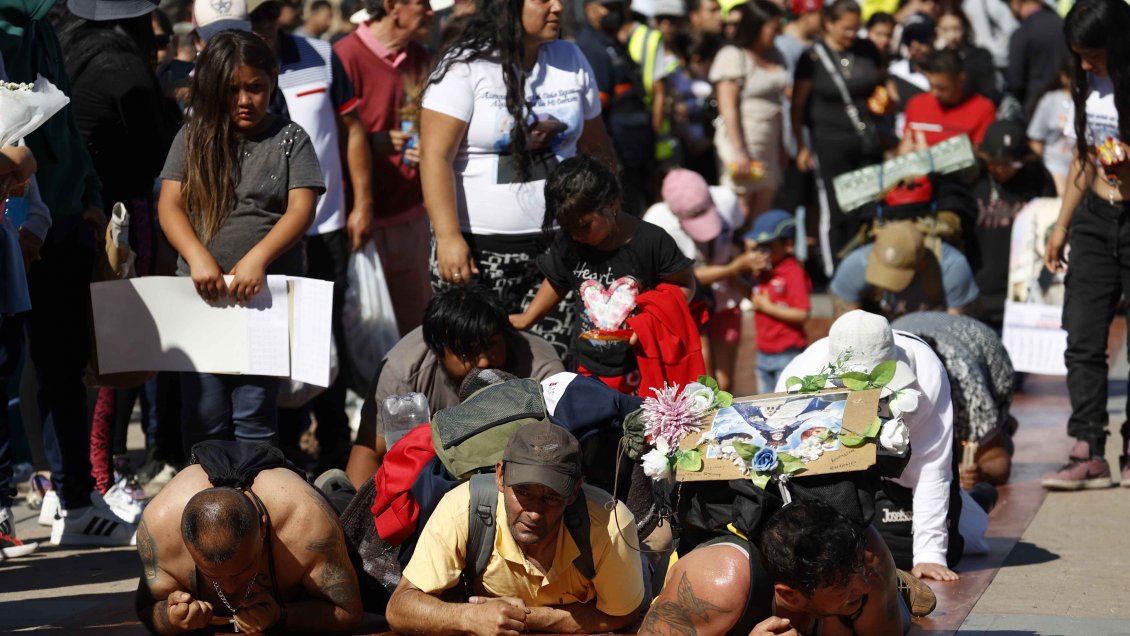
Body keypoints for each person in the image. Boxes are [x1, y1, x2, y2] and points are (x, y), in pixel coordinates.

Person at [157, 30, 324, 449]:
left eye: (256, 88)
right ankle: (206, 509)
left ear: (272, 81)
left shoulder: (290, 140)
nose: (245, 100)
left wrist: (258, 259)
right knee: (203, 418)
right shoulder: (192, 137)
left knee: (255, 418)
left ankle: (252, 508)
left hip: (264, 300)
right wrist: (197, 257)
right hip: (201, 300)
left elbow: (300, 209)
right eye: (232, 90)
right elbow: (170, 205)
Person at [421, 0, 615, 358]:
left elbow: (597, 149)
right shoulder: (465, 65)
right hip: (476, 253)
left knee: (552, 369)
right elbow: (435, 156)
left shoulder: (571, 59)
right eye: (543, 0)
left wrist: (611, 217)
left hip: (558, 251)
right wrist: (448, 236)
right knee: (476, 367)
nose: (558, 7)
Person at [385, 422, 645, 635]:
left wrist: (525, 619)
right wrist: (468, 617)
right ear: (500, 476)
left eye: (551, 498)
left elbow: (622, 612)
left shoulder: (610, 524)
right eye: (523, 493)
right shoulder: (463, 508)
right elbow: (399, 607)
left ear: (575, 491)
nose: (533, 512)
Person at [778, 310, 963, 581]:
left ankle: (972, 501)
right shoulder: (799, 375)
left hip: (905, 469)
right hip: (840, 476)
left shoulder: (928, 372)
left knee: (912, 555)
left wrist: (929, 554)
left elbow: (932, 465)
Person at [509, 156, 695, 395]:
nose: (576, 236)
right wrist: (528, 318)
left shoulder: (651, 241)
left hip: (641, 365)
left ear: (612, 205)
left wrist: (652, 322)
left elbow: (685, 285)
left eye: (584, 226)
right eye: (568, 229)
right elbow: (557, 281)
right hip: (588, 366)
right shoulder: (569, 243)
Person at [345, 285, 565, 486]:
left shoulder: (541, 369)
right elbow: (369, 452)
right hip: (432, 482)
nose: (484, 361)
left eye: (491, 345)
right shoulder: (404, 372)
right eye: (467, 352)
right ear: (439, 354)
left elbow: (559, 453)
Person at [134, 443, 363, 634]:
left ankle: (336, 489)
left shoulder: (306, 522)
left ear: (263, 530)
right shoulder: (160, 525)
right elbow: (146, 608)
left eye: (241, 571)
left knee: (360, 551)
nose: (230, 587)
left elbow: (349, 613)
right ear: (184, 541)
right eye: (212, 575)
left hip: (295, 491)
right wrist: (171, 618)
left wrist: (282, 616)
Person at [1042, 0, 1130, 491]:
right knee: (1082, 337)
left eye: (1093, 54)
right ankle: (1088, 449)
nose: (1084, 64)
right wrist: (1061, 225)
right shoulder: (1085, 84)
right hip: (1096, 218)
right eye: (1077, 55)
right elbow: (1083, 154)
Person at [638, 499, 918, 636]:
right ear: (790, 595)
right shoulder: (717, 586)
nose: (862, 585)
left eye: (856, 571)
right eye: (841, 584)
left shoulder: (869, 562)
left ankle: (900, 586)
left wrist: (858, 579)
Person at [333, 0, 435, 337]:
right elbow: (327, 134)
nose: (431, 13)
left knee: (416, 332)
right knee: (363, 333)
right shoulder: (344, 56)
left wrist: (429, 143)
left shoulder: (421, 57)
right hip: (361, 222)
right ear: (393, 6)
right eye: (423, 3)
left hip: (411, 217)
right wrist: (369, 142)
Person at [792, 0, 888, 275]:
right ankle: (839, 272)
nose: (851, 35)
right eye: (845, 29)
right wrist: (801, 146)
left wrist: (885, 99)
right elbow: (797, 107)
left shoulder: (867, 50)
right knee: (837, 210)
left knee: (867, 207)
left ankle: (868, 268)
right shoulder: (812, 57)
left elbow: (882, 81)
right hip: (829, 142)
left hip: (866, 141)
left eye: (855, 29)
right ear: (828, 24)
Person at [643, 169, 749, 392]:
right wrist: (733, 268)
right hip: (690, 306)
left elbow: (739, 236)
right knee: (704, 383)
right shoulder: (658, 223)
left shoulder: (726, 200)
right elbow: (683, 279)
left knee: (726, 383)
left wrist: (741, 262)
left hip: (725, 300)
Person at [892, 312, 1015, 491]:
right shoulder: (877, 382)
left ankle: (1000, 428)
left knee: (975, 447)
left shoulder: (969, 393)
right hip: (907, 325)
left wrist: (980, 473)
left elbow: (997, 459)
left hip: (980, 343)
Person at [971, 120, 1056, 331]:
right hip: (980, 292)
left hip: (1021, 293)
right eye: (994, 163)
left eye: (1009, 164)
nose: (1000, 169)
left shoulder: (1038, 179)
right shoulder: (973, 180)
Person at [575, 0, 657, 219]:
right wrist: (611, 163)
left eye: (617, 7)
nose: (614, 13)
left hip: (635, 156)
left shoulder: (611, 43)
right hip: (619, 158)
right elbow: (595, 116)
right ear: (588, 8)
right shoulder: (592, 48)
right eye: (607, 7)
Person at [710, 0, 789, 219]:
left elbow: (778, 105)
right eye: (773, 28)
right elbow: (728, 108)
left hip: (770, 141)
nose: (778, 33)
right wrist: (740, 151)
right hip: (743, 140)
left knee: (763, 209)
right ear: (757, 26)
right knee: (740, 209)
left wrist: (782, 144)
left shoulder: (776, 55)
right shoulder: (732, 55)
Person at [829, 222, 980, 320]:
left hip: (936, 335)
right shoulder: (855, 265)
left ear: (921, 265)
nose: (887, 284)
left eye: (895, 276)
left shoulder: (950, 267)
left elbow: (959, 332)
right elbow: (844, 333)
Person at [744, 210, 811, 393]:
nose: (762, 252)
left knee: (787, 403)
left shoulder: (794, 273)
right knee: (765, 407)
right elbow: (751, 295)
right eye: (759, 246)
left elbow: (802, 313)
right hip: (763, 353)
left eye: (768, 246)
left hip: (787, 353)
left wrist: (768, 308)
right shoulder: (762, 271)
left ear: (787, 244)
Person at [897, 48, 996, 155]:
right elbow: (904, 146)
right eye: (931, 86)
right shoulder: (915, 104)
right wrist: (902, 153)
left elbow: (979, 156)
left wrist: (931, 158)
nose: (934, 94)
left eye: (942, 88)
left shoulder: (983, 109)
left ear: (960, 80)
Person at [1004, 0, 1068, 118]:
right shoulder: (1063, 24)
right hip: (1067, 102)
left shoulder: (1022, 32)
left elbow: (1015, 80)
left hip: (1035, 107)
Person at [934, 4, 999, 105]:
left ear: (964, 28)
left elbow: (989, 92)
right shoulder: (936, 58)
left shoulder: (980, 56)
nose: (952, 36)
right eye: (946, 30)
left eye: (956, 29)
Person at [1026, 61, 1074, 195]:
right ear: (1064, 77)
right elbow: (1036, 141)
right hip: (1054, 165)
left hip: (1081, 166)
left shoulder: (1092, 99)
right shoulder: (1050, 100)